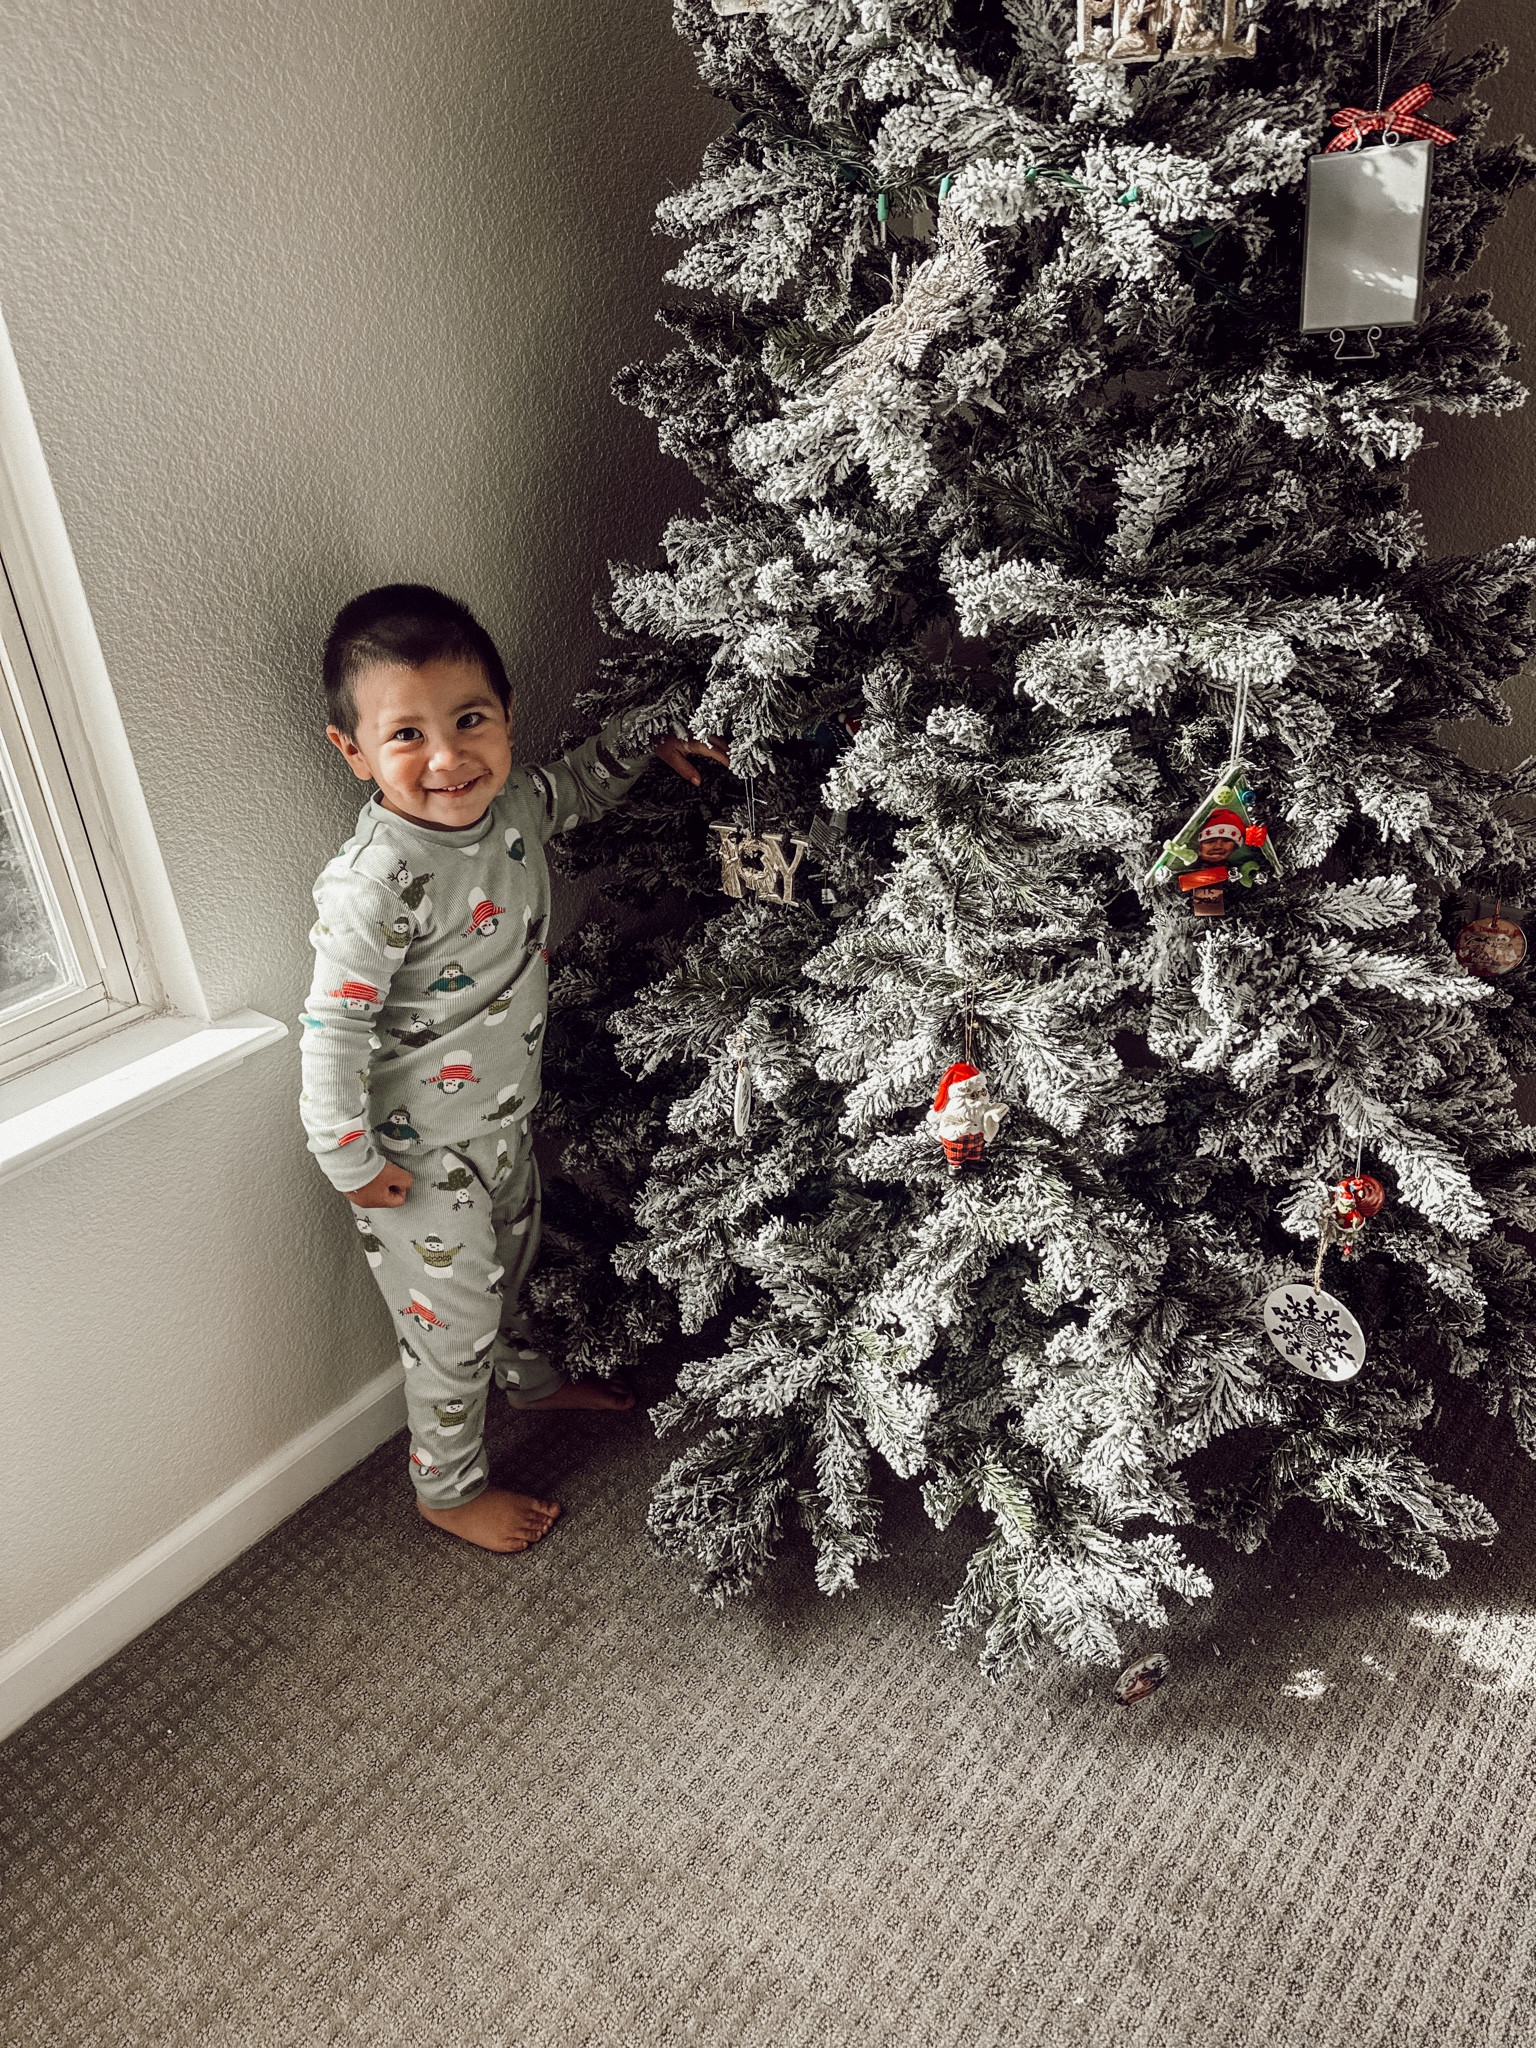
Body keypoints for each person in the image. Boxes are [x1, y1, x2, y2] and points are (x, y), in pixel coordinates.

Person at [300, 584, 726, 1554]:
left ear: (505, 716)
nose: (448, 756)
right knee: (450, 1330)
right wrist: (348, 1155)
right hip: (410, 1157)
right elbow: (331, 1032)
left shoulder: (514, 808)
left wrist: (646, 741)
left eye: (470, 719)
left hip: (501, 1119)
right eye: (406, 735)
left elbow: (573, 782)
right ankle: (445, 1487)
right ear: (353, 752)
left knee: (517, 1261)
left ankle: (530, 1379)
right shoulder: (376, 883)